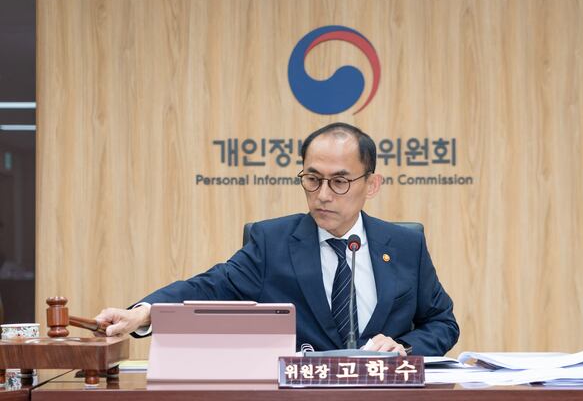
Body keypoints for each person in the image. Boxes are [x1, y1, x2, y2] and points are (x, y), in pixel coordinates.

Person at [96, 122, 459, 356]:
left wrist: (403, 348)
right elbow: (208, 287)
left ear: (372, 185)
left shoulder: (405, 245)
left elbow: (442, 323)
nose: (323, 195)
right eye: (312, 179)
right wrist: (143, 313)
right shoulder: (273, 242)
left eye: (339, 181)